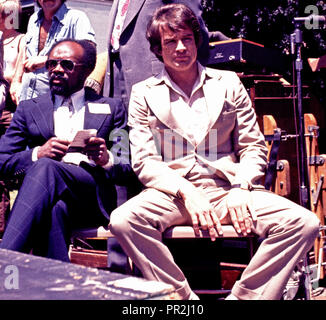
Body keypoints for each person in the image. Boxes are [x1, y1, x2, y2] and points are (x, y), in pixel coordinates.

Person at [109, 4, 320, 300]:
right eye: (170, 41)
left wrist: (240, 187)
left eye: (187, 39)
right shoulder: (144, 92)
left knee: (304, 223)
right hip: (173, 195)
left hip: (228, 190)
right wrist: (186, 191)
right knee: (123, 220)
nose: (180, 47)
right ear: (158, 49)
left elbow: (253, 147)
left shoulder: (228, 83)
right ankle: (181, 300)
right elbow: (144, 162)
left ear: (197, 41)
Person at [0, 39, 133, 262]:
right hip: (45, 196)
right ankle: (56, 289)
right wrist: (36, 153)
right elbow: (2, 161)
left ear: (87, 70)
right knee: (55, 209)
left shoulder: (112, 108)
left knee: (47, 167)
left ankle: (6, 259)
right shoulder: (29, 108)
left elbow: (127, 165)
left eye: (67, 65)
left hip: (91, 197)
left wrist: (106, 159)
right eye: (52, 64)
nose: (57, 70)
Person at [101, 0, 219, 110]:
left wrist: (194, 83)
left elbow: (195, 29)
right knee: (121, 131)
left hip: (157, 78)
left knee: (164, 132)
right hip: (114, 74)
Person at [10, 0, 95, 104]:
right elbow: (25, 49)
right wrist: (16, 81)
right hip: (25, 98)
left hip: (57, 102)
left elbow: (89, 50)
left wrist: (48, 59)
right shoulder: (34, 18)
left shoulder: (76, 18)